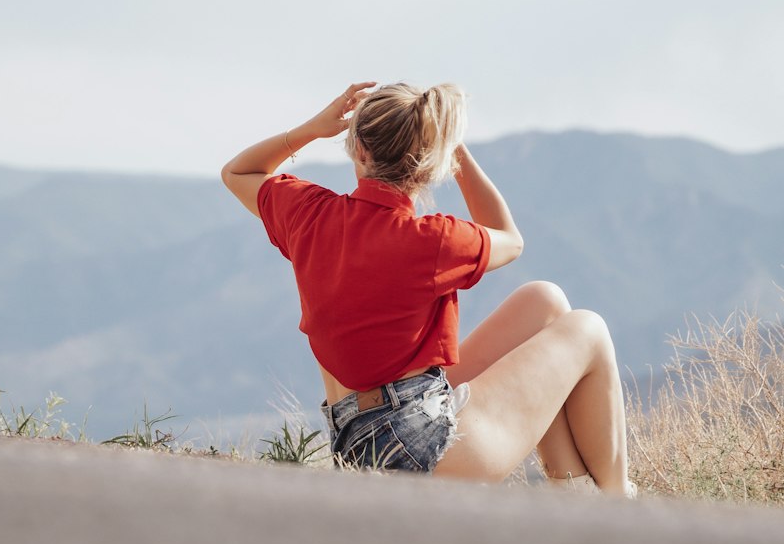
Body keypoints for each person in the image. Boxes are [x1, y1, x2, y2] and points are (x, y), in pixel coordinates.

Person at [221, 82, 634, 496]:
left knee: (545, 303)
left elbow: (238, 171)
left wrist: (313, 128)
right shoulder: (431, 239)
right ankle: (617, 502)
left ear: (359, 150)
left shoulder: (310, 213)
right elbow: (510, 238)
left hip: (357, 444)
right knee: (589, 328)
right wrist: (455, 149)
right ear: (428, 163)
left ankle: (575, 491)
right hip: (424, 450)